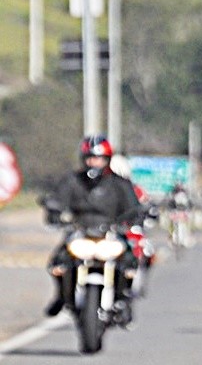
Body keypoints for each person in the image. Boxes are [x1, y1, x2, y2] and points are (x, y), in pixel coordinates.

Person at [42, 135, 144, 322]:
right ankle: (62, 295)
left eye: (99, 158)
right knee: (58, 263)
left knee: (129, 262)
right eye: (90, 158)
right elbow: (56, 201)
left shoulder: (119, 184)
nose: (94, 163)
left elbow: (134, 208)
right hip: (80, 232)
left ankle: (122, 300)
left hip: (111, 234)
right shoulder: (72, 181)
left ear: (107, 160)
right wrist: (55, 214)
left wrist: (136, 218)